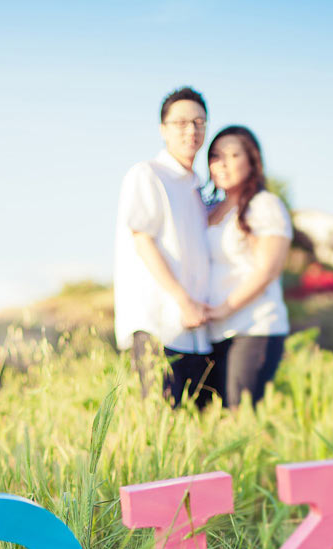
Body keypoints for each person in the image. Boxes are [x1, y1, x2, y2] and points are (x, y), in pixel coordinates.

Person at [114, 86, 213, 407]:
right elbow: (142, 240)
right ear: (163, 130)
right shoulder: (148, 174)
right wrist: (183, 301)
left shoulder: (197, 187)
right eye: (181, 122)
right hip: (159, 323)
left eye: (199, 122)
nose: (192, 130)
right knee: (161, 423)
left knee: (195, 424)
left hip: (196, 330)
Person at [203, 126, 292, 409]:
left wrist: (224, 308)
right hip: (215, 332)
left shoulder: (264, 205)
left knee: (239, 418)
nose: (222, 163)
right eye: (216, 155)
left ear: (252, 161)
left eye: (233, 154)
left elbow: (268, 270)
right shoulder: (210, 208)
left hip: (254, 327)